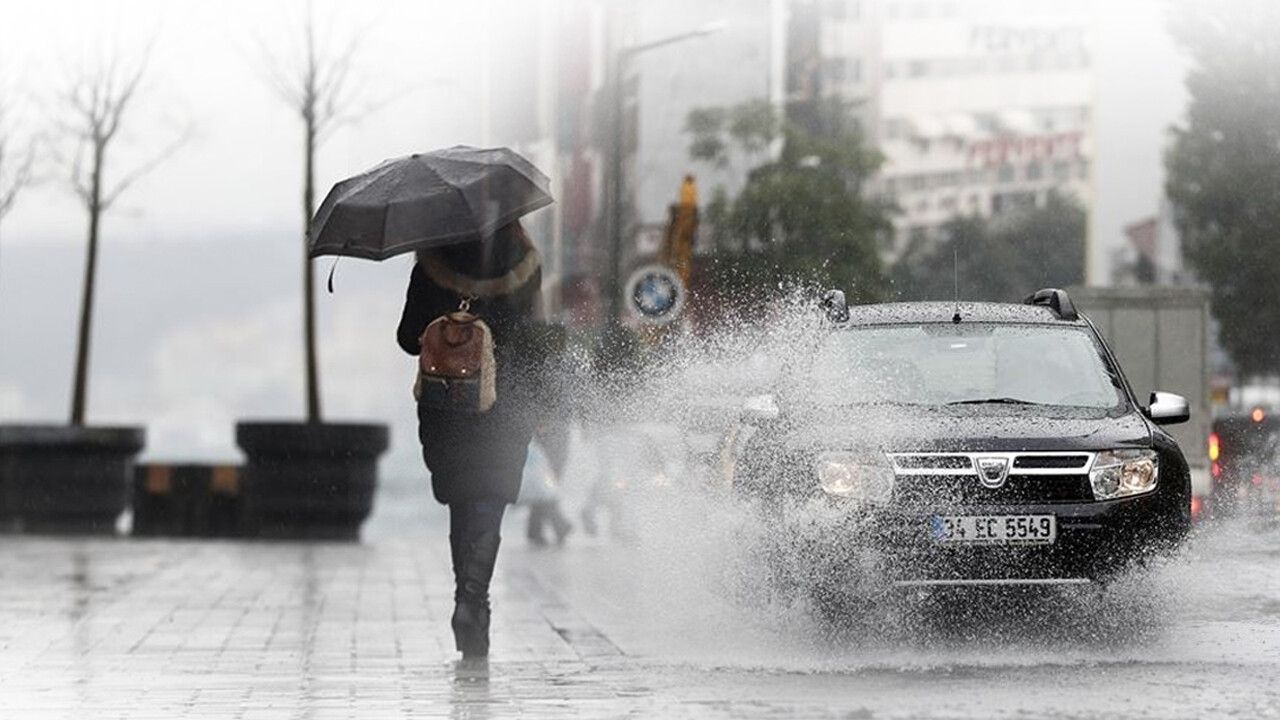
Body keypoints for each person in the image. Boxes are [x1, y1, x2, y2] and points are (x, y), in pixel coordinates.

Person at [396, 219, 543, 661]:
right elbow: (534, 340)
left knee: (463, 503)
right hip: (505, 403)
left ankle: (467, 598)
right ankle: (472, 602)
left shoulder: (430, 266)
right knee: (488, 502)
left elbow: (407, 338)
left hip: (446, 409)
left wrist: (446, 324)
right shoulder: (524, 265)